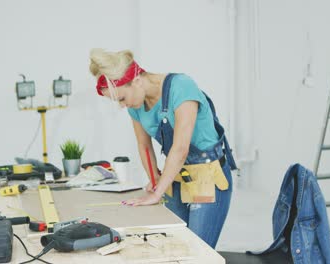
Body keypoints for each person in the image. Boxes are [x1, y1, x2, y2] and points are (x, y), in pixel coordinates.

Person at [89, 48, 237, 248]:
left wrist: (157, 193)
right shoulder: (137, 106)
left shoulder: (181, 87)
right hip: (175, 178)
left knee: (196, 253)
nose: (122, 106)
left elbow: (180, 147)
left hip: (207, 176)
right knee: (172, 248)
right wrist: (155, 180)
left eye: (122, 99)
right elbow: (145, 146)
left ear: (137, 81)